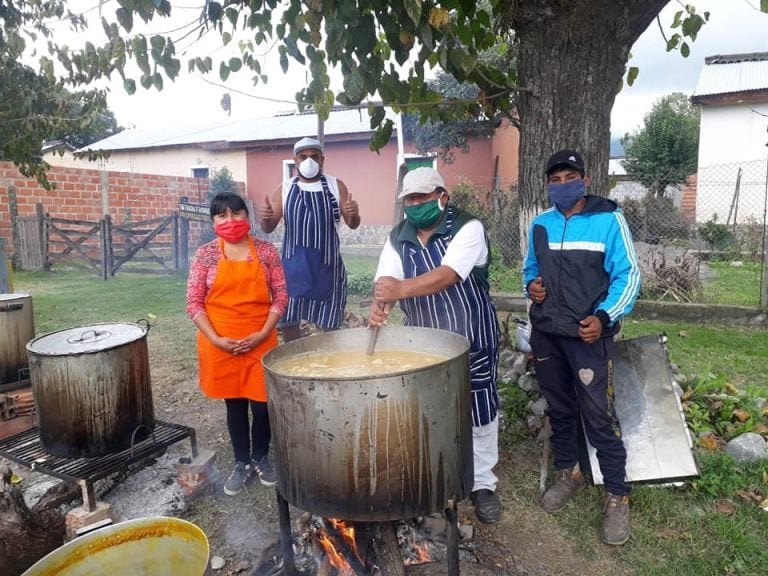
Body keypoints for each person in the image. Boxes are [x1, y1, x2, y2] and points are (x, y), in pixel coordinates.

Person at [369, 167, 502, 524]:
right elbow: (387, 275)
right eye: (410, 200)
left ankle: (483, 483)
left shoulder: (467, 227)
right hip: (422, 344)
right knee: (427, 409)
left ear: (442, 196)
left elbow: (449, 274)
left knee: (479, 406)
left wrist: (399, 289)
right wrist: (382, 299)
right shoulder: (399, 236)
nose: (415, 205)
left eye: (423, 198)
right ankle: (435, 473)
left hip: (472, 334)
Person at [523, 149, 641, 545]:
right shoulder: (540, 224)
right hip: (546, 335)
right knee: (559, 408)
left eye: (568, 177)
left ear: (584, 180)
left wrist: (604, 318)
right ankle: (569, 471)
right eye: (553, 180)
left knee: (596, 414)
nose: (561, 186)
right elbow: (530, 270)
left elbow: (628, 276)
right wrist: (531, 286)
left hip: (588, 337)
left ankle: (617, 493)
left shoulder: (609, 220)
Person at [186, 192, 288, 496]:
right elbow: (193, 303)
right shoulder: (206, 255)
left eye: (236, 213)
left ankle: (261, 458)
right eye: (222, 215)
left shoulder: (267, 252)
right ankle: (242, 461)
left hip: (261, 339)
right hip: (220, 343)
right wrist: (217, 339)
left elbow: (281, 296)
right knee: (235, 404)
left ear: (248, 216)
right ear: (213, 220)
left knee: (262, 405)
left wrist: (261, 333)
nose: (230, 221)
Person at [259, 137, 360, 342]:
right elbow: (268, 228)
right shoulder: (285, 188)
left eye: (314, 157)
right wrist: (265, 218)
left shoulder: (335, 185)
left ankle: (328, 364)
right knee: (290, 321)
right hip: (294, 268)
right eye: (303, 157)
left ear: (322, 160)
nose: (309, 161)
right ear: (295, 160)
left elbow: (353, 223)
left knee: (330, 323)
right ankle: (295, 363)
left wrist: (353, 213)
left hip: (328, 268)